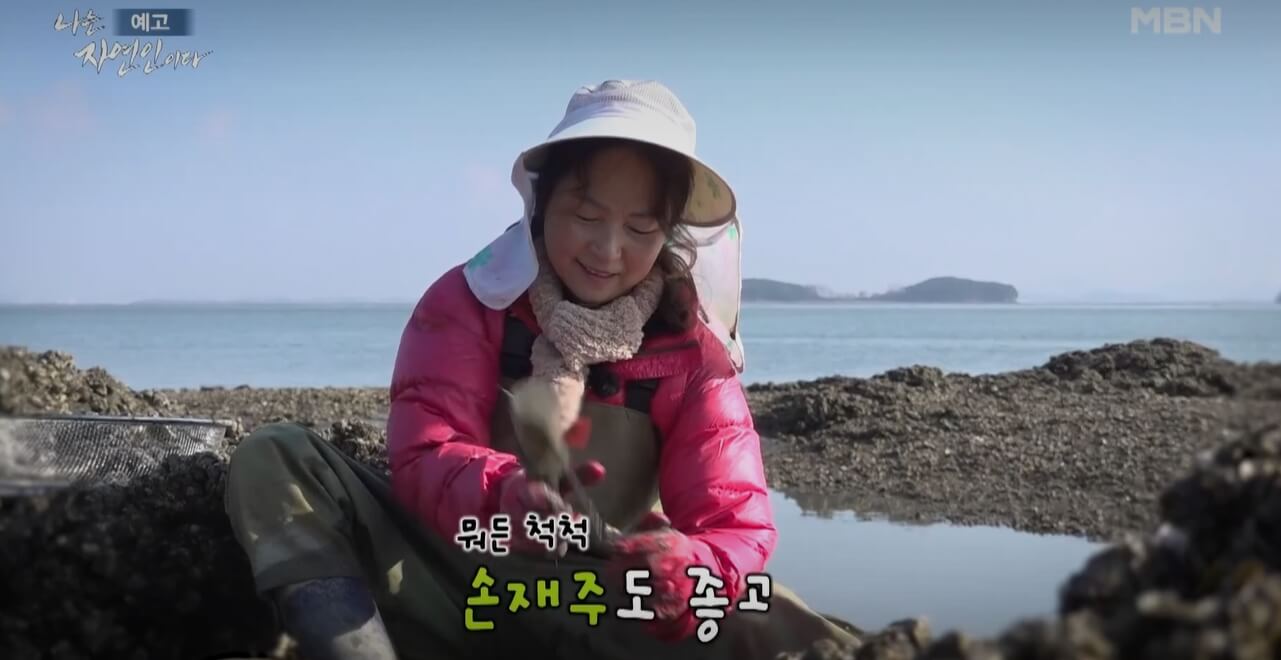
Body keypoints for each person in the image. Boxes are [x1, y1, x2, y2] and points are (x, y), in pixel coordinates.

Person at [224, 79, 860, 660]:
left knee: (783, 618)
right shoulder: (470, 301)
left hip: (605, 596)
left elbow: (735, 524)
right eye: (586, 216)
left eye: (640, 228)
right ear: (541, 201)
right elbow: (422, 455)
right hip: (452, 577)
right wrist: (505, 495)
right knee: (279, 456)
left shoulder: (693, 352)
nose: (608, 251)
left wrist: (687, 572)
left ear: (668, 232)